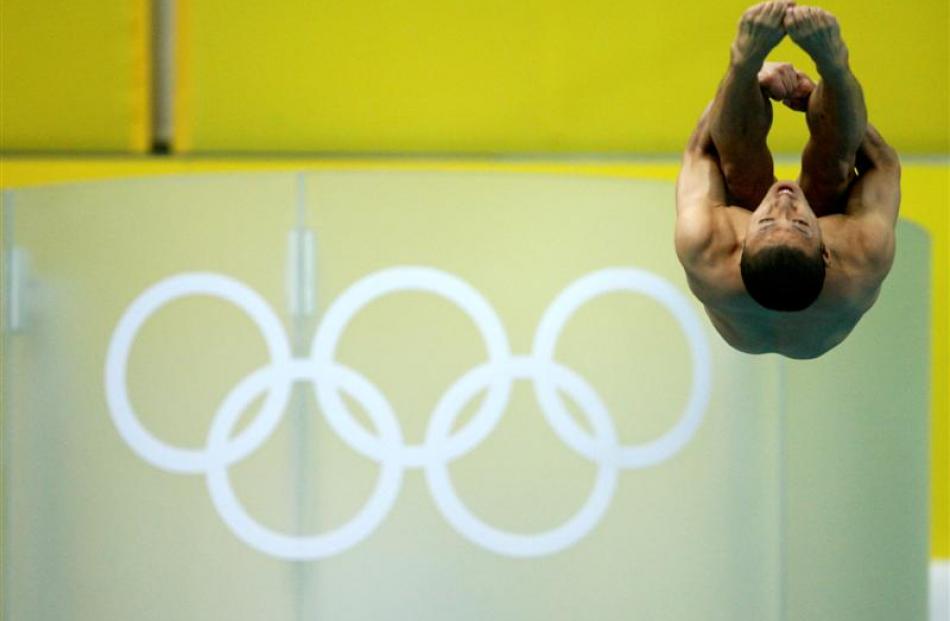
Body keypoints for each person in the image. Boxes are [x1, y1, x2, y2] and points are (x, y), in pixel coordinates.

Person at [674, 1, 901, 359]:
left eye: (765, 220)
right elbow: (883, 164)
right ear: (827, 251)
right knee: (834, 171)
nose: (783, 200)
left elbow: (700, 151)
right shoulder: (861, 256)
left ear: (742, 242)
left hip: (748, 306)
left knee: (737, 169)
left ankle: (743, 55)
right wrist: (827, 87)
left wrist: (746, 71)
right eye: (799, 222)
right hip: (812, 319)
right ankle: (836, 63)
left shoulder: (705, 246)